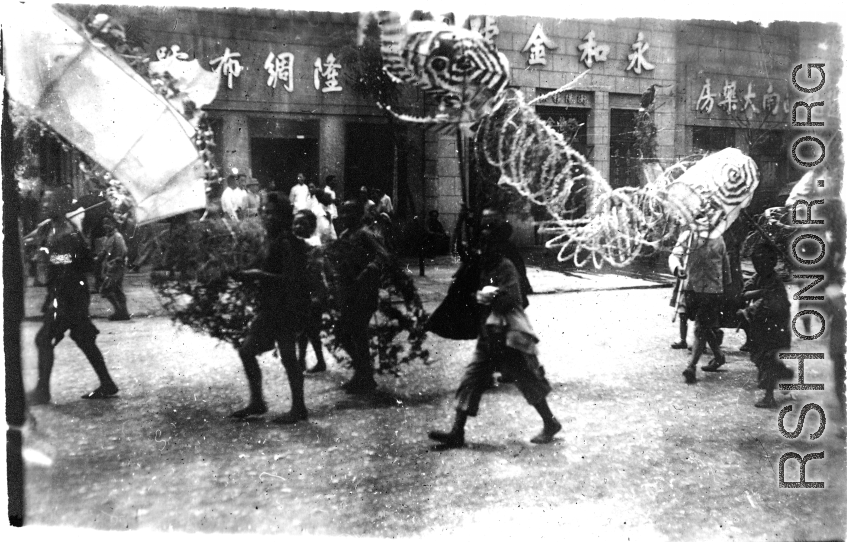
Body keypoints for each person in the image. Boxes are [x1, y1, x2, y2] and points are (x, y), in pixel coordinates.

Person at [428, 210, 561, 448]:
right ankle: (457, 432)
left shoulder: (506, 266)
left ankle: (550, 423)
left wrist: (486, 296)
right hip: (489, 336)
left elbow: (512, 299)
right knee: (471, 380)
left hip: (509, 336)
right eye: (482, 244)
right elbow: (458, 252)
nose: (484, 248)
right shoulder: (481, 266)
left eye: (489, 244)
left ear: (497, 246)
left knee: (527, 380)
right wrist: (459, 224)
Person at [26, 187, 119, 405]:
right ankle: (107, 383)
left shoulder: (69, 233)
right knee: (83, 338)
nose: (44, 204)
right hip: (62, 293)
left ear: (63, 206)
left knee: (43, 339)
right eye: (44, 201)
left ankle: (42, 391)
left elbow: (80, 262)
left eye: (50, 201)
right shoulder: (50, 228)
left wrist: (48, 257)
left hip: (70, 295)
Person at [231, 194, 312, 423]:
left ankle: (299, 408)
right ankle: (257, 401)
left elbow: (291, 279)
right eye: (264, 211)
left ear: (283, 216)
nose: (266, 216)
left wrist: (258, 276)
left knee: (288, 357)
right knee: (247, 351)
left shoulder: (287, 242)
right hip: (270, 308)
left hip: (285, 308)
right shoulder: (271, 240)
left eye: (271, 212)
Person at [327, 200, 389, 394]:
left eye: (349, 213)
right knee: (346, 333)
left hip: (363, 291)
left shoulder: (365, 234)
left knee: (357, 332)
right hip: (347, 291)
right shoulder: (345, 235)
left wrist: (368, 270)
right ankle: (363, 372)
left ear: (358, 214)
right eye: (343, 212)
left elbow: (383, 256)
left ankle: (364, 376)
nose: (344, 216)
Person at [668, 229, 731, 384]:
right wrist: (677, 268)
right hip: (692, 287)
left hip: (712, 290)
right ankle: (719, 356)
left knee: (700, 326)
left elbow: (725, 264)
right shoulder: (689, 235)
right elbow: (674, 255)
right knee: (704, 325)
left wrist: (727, 286)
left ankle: (691, 366)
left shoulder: (718, 238)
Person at [736, 243, 794, 408]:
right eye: (757, 264)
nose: (759, 267)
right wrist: (759, 292)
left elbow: (765, 305)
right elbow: (744, 293)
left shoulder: (775, 282)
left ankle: (769, 396)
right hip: (761, 327)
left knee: (769, 359)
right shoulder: (758, 278)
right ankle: (785, 376)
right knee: (762, 358)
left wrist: (748, 310)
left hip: (776, 327)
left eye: (763, 263)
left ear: (772, 263)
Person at [293, 209, 328, 374]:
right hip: (303, 291)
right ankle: (303, 360)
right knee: (304, 328)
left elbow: (317, 272)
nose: (298, 227)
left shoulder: (314, 244)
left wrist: (318, 295)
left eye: (303, 224)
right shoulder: (296, 243)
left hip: (315, 292)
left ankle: (316, 361)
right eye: (296, 223)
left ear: (312, 227)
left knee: (311, 328)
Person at [98, 216, 131, 321]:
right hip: (110, 267)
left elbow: (123, 252)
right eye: (104, 223)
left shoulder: (117, 237)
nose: (105, 226)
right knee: (117, 290)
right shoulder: (108, 237)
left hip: (116, 268)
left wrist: (115, 263)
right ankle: (123, 312)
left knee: (106, 290)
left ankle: (119, 311)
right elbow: (104, 252)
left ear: (113, 224)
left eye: (108, 223)